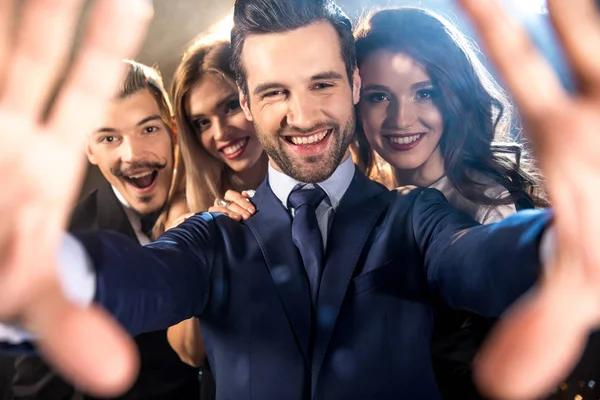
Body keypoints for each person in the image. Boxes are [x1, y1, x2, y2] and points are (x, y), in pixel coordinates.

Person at [0, 0, 597, 400]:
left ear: (355, 83)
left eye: (322, 84)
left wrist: (564, 240)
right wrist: (53, 266)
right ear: (247, 98)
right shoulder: (214, 235)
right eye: (275, 91)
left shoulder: (413, 216)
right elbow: (145, 277)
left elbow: (478, 258)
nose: (303, 116)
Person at [351, 7, 547, 398]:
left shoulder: (496, 207)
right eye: (378, 97)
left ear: (454, 94)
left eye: (424, 93)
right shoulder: (362, 200)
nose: (401, 119)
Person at [9, 60, 200, 400]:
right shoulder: (58, 247)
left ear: (173, 131)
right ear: (89, 149)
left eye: (148, 129)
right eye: (109, 137)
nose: (133, 154)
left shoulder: (222, 200)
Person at [153, 40, 268, 399]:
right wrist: (201, 257)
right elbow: (189, 353)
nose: (220, 134)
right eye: (202, 122)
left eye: (231, 106)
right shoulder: (185, 214)